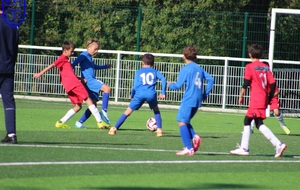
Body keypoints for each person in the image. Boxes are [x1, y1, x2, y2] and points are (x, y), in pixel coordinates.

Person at [230, 44, 287, 158]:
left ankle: (245, 148)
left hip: (256, 99)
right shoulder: (266, 67)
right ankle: (277, 144)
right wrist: (269, 97)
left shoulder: (249, 67)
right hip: (263, 99)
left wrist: (241, 95)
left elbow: (246, 83)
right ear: (261, 55)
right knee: (258, 123)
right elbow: (273, 83)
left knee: (247, 120)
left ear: (250, 54)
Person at [33, 41, 105, 129]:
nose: (73, 53)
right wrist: (40, 73)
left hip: (69, 85)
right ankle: (100, 122)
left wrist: (80, 79)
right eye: (71, 51)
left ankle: (60, 122)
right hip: (74, 84)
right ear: (65, 50)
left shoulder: (66, 60)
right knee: (88, 99)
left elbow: (69, 74)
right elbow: (52, 65)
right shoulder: (62, 58)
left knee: (78, 106)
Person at [167, 46, 214, 156]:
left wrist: (169, 85)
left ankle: (188, 147)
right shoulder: (199, 68)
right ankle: (194, 137)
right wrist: (205, 93)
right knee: (185, 120)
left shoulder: (186, 68)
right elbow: (211, 79)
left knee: (181, 121)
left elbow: (178, 86)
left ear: (184, 56)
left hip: (189, 98)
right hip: (198, 98)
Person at [108, 53, 166, 137]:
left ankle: (114, 129)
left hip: (139, 94)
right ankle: (159, 130)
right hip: (151, 94)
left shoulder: (138, 72)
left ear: (142, 63)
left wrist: (132, 94)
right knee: (156, 110)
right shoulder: (155, 71)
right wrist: (163, 92)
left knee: (127, 112)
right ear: (153, 64)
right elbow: (163, 79)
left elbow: (135, 86)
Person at [72, 38, 111, 129]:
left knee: (93, 105)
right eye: (95, 49)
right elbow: (72, 65)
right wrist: (77, 78)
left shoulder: (89, 57)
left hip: (89, 82)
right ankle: (104, 112)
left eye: (98, 49)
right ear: (89, 47)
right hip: (90, 81)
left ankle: (79, 122)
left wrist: (105, 66)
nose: (96, 51)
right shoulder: (84, 55)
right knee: (107, 89)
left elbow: (93, 67)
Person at [249, 62, 290, 135]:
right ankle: (250, 129)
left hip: (272, 97)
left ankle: (282, 125)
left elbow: (277, 91)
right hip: (262, 97)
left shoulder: (270, 77)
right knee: (255, 111)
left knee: (276, 112)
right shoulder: (259, 77)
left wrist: (270, 95)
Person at [0, 5, 19, 144]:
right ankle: (11, 134)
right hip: (8, 66)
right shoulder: (13, 24)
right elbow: (15, 47)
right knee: (8, 101)